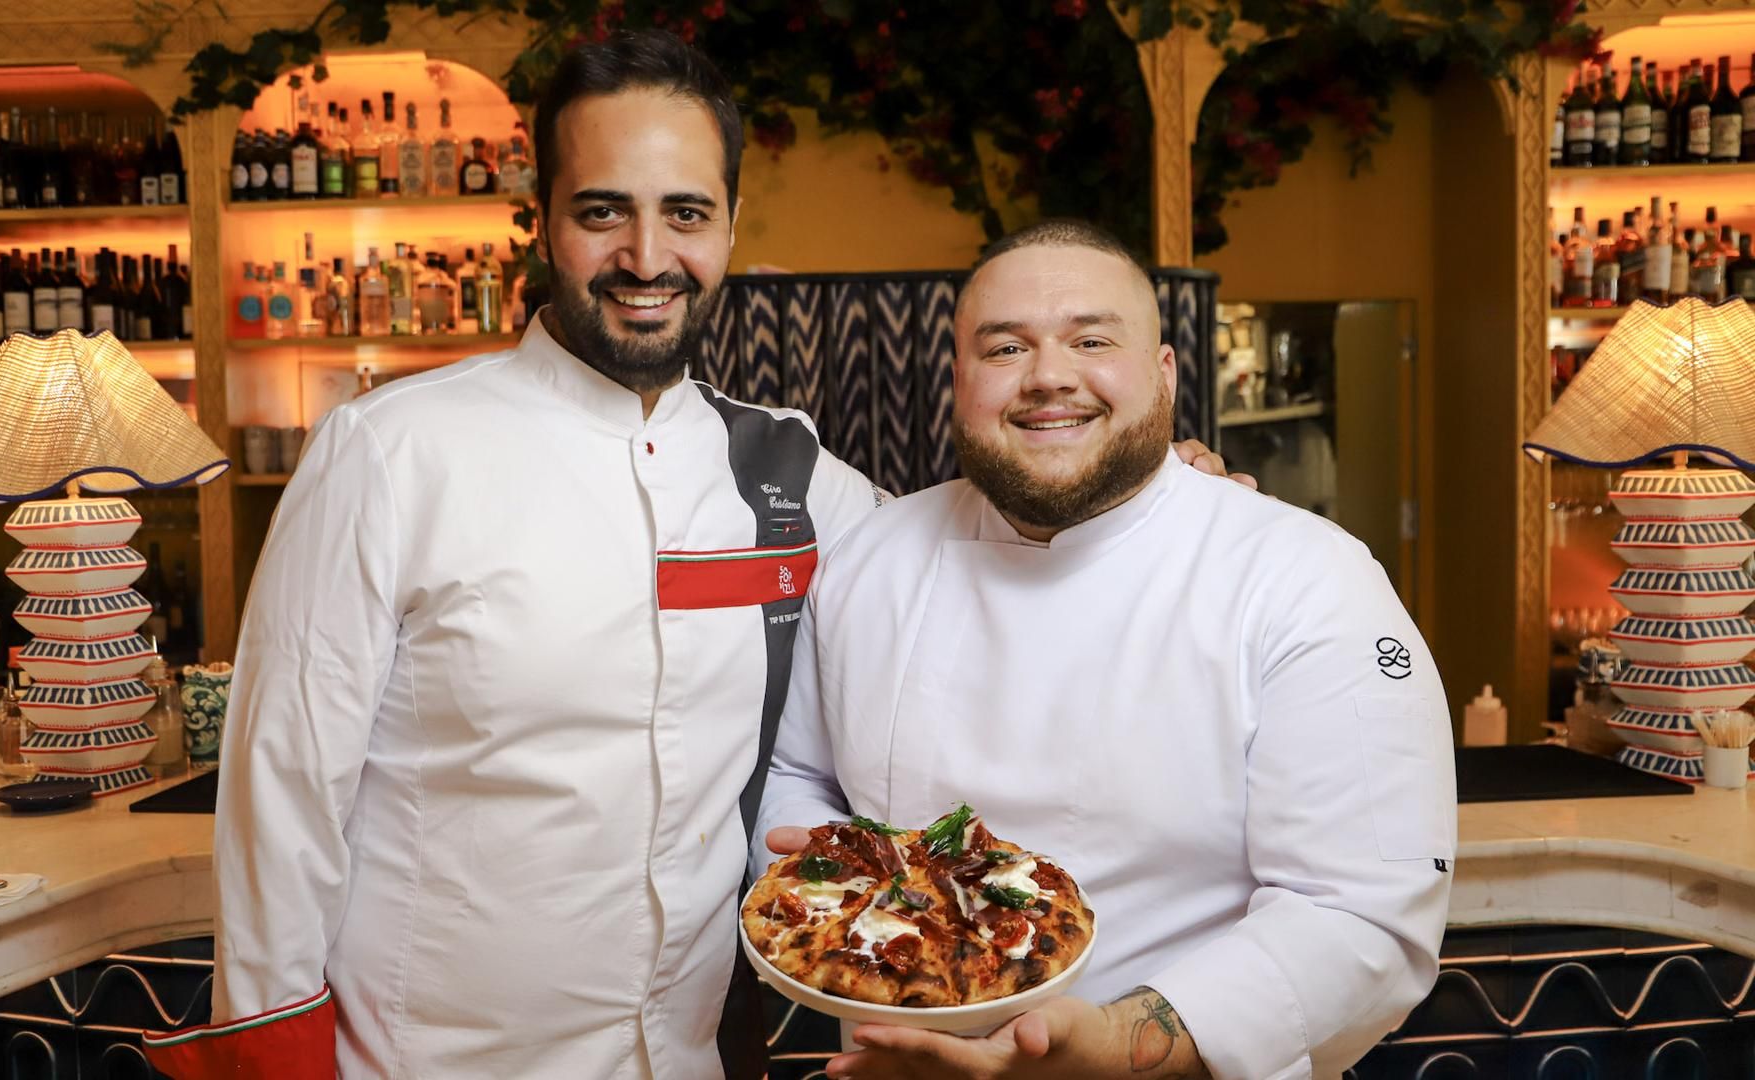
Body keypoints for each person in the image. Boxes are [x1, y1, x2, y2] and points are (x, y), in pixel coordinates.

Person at [142, 33, 1241, 1079]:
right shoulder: (387, 455)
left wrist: (1152, 491)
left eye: (685, 214)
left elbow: (982, 545)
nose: (647, 258)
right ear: (540, 221)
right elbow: (281, 800)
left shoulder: (792, 474)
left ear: (729, 225)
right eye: (602, 212)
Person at [756, 220, 1455, 1080]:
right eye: (1005, 347)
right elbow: (797, 776)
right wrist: (848, 913)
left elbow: (1361, 914)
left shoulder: (1308, 578)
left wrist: (1117, 1049)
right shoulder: (870, 557)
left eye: (1092, 339)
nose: (1050, 376)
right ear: (958, 381)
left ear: (1164, 372)